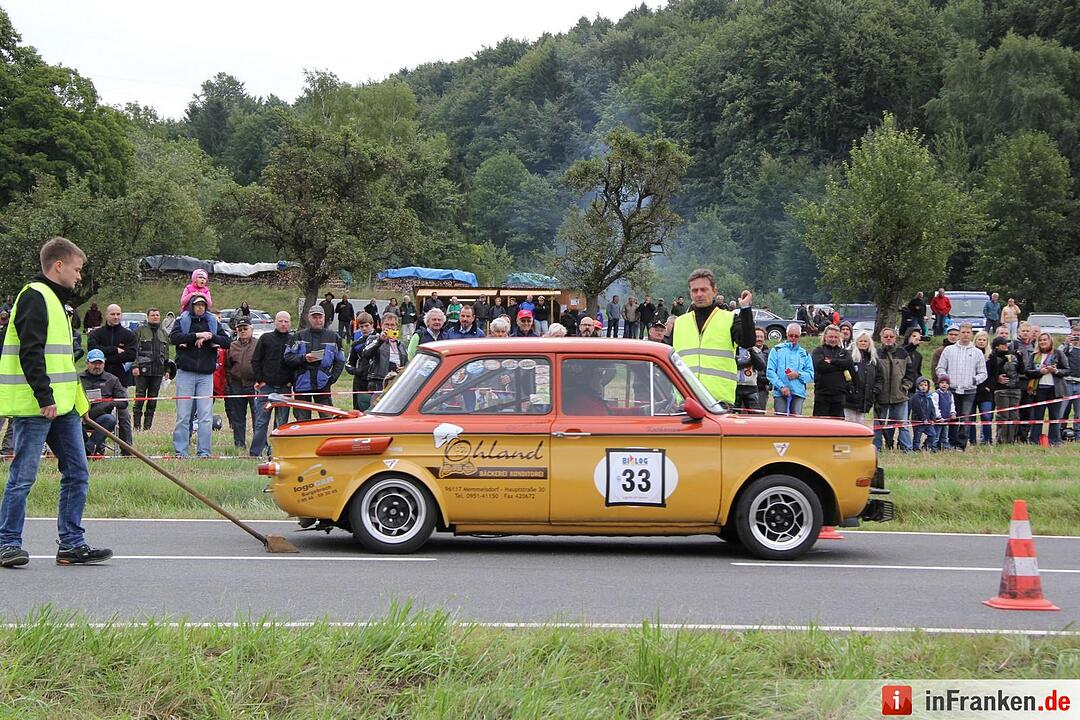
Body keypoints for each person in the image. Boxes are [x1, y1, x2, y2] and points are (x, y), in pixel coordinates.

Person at [0, 237, 112, 567]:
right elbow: (30, 352)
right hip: (38, 407)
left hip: (64, 408)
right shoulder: (35, 296)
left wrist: (79, 405)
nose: (79, 276)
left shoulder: (57, 302)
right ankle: (7, 542)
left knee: (77, 472)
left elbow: (62, 363)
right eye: (77, 269)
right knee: (23, 476)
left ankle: (72, 544)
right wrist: (44, 396)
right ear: (58, 265)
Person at [673, 268, 755, 406]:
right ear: (690, 293)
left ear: (714, 291)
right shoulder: (680, 323)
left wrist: (745, 309)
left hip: (719, 400)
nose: (699, 294)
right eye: (695, 290)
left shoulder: (729, 319)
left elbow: (748, 342)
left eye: (704, 290)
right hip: (686, 400)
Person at [170, 293, 231, 457]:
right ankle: (181, 451)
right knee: (183, 415)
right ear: (191, 306)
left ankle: (204, 452)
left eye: (203, 305)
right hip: (186, 373)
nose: (200, 307)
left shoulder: (213, 322)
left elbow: (226, 341)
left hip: (206, 375)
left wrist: (210, 336)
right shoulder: (182, 321)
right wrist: (196, 336)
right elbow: (174, 338)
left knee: (205, 416)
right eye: (197, 305)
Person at [87, 303, 137, 454]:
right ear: (106, 315)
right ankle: (97, 448)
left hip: (119, 380)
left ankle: (127, 450)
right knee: (97, 413)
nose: (116, 317)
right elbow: (92, 349)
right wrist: (114, 350)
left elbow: (131, 355)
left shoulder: (128, 335)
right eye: (112, 314)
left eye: (118, 314)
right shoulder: (96, 334)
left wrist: (107, 357)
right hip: (96, 380)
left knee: (124, 415)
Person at [283, 306, 345, 420]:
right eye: (314, 317)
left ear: (324, 318)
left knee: (328, 419)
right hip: (302, 383)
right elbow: (287, 357)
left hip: (323, 383)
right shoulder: (298, 336)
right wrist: (303, 358)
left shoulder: (334, 337)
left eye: (320, 317)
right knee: (302, 421)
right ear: (309, 318)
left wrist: (332, 379)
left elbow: (340, 360)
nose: (317, 320)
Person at [936, 323, 987, 450]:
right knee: (953, 416)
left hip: (969, 391)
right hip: (952, 390)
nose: (965, 335)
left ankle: (961, 444)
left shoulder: (977, 352)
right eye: (963, 332)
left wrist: (974, 380)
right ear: (959, 333)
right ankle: (951, 442)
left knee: (966, 418)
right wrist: (945, 380)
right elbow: (940, 368)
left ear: (971, 334)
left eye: (968, 332)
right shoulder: (949, 350)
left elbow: (983, 373)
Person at [250, 311, 294, 457]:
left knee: (281, 423)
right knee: (261, 422)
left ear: (290, 323)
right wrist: (260, 380)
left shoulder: (293, 340)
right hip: (266, 387)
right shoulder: (265, 338)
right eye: (280, 321)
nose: (283, 324)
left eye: (286, 321)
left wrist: (291, 382)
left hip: (284, 388)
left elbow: (296, 364)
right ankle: (255, 453)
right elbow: (255, 360)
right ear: (275, 322)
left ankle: (276, 453)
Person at [80, 349, 128, 456]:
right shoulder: (78, 379)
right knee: (72, 422)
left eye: (100, 363)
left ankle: (88, 449)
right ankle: (89, 450)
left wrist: (108, 404)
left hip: (101, 418)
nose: (97, 366)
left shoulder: (112, 380)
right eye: (93, 363)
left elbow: (123, 402)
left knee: (110, 419)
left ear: (104, 363)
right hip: (81, 416)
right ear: (87, 363)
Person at [132, 307, 174, 432]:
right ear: (148, 317)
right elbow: (134, 350)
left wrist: (167, 370)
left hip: (158, 371)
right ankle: (137, 426)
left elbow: (166, 354)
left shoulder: (164, 333)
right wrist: (135, 366)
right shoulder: (140, 331)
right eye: (153, 315)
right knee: (140, 398)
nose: (155, 317)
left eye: (157, 315)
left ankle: (147, 427)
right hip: (142, 370)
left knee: (153, 400)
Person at [873, 328, 916, 451]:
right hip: (881, 396)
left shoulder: (903, 353)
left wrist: (905, 387)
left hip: (899, 396)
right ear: (881, 338)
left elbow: (910, 373)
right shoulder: (875, 353)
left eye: (891, 336)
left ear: (895, 338)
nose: (888, 339)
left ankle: (906, 449)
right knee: (878, 425)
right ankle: (877, 448)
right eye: (885, 336)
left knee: (903, 425)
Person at [1024, 332, 1069, 446]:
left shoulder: (1058, 353)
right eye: (1040, 340)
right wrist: (1040, 372)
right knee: (1037, 416)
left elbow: (1067, 370)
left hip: (1055, 390)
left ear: (1050, 341)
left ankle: (1054, 441)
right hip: (1039, 389)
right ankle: (1034, 441)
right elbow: (1027, 372)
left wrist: (1055, 371)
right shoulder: (1034, 355)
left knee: (1055, 416)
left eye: (1045, 340)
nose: (1043, 342)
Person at [225, 319, 258, 452]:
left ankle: (259, 444)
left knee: (258, 416)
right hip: (237, 385)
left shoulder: (258, 344)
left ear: (251, 329)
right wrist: (230, 382)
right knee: (237, 417)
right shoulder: (232, 346)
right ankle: (239, 445)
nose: (243, 331)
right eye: (240, 329)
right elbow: (227, 366)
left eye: (245, 329)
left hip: (254, 385)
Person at [767, 324, 814, 415]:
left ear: (799, 336)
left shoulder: (804, 353)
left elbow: (810, 374)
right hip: (780, 393)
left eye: (796, 336)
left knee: (796, 421)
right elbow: (770, 372)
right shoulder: (776, 350)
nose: (793, 338)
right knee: (780, 420)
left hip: (798, 393)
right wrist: (781, 386)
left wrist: (798, 374)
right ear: (786, 334)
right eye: (791, 335)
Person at [811, 324, 853, 418]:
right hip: (822, 394)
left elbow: (849, 363)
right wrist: (840, 366)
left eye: (835, 337)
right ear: (825, 337)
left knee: (838, 424)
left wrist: (832, 361)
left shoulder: (844, 352)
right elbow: (821, 366)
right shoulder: (818, 351)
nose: (833, 339)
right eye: (830, 337)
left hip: (839, 395)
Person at [987, 336, 1023, 444]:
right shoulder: (993, 357)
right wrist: (1003, 361)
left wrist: (1020, 358)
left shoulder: (1013, 356)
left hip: (1015, 388)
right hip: (1001, 390)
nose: (1006, 346)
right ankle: (1001, 440)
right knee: (1003, 415)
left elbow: (1022, 370)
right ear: (997, 346)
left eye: (1006, 344)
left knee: (1014, 416)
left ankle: (1011, 440)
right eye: (1003, 344)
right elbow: (992, 372)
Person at [361, 313, 408, 392]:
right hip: (378, 381)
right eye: (387, 324)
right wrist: (380, 340)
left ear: (396, 327)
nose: (389, 327)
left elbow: (406, 362)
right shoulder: (374, 338)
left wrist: (404, 368)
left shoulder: (400, 344)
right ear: (381, 325)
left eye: (392, 325)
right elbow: (366, 354)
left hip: (396, 381)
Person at [844, 331, 881, 426]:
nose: (863, 343)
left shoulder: (874, 360)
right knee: (849, 424)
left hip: (865, 400)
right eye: (861, 341)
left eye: (865, 341)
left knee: (860, 424)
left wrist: (875, 391)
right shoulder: (849, 357)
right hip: (850, 399)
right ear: (856, 342)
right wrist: (850, 389)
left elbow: (879, 377)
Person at [345, 312, 376, 411]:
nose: (364, 329)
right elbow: (348, 364)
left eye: (366, 326)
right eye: (361, 326)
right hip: (360, 382)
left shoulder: (379, 339)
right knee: (358, 410)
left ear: (372, 325)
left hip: (376, 380)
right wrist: (357, 371)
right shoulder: (356, 344)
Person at [973, 330, 994, 445]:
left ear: (987, 342)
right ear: (975, 340)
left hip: (986, 392)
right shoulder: (970, 354)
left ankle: (987, 440)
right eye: (979, 339)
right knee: (970, 418)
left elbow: (994, 374)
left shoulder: (991, 356)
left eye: (984, 340)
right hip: (972, 390)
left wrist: (989, 387)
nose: (981, 342)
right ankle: (971, 440)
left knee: (986, 416)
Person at [1059, 327, 1080, 441]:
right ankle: (1057, 434)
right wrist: (1066, 343)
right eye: (1074, 335)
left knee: (1079, 413)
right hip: (1066, 383)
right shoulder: (1066, 348)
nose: (1076, 337)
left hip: (1079, 383)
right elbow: (1057, 356)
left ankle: (1078, 436)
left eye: (1078, 335)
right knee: (1061, 411)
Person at [735, 339, 766, 412]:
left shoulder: (756, 350)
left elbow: (761, 366)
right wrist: (750, 362)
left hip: (751, 386)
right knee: (733, 412)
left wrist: (751, 350)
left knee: (755, 413)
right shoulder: (733, 349)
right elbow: (736, 364)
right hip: (735, 385)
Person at [909, 377, 940, 452]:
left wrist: (933, 419)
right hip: (918, 421)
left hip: (928, 422)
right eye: (921, 385)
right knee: (917, 437)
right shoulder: (915, 397)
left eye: (925, 385)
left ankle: (926, 446)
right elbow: (918, 409)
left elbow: (932, 408)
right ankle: (915, 448)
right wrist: (923, 419)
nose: (923, 387)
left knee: (933, 435)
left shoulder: (929, 397)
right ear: (918, 386)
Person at [931, 376, 956, 450]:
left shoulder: (950, 394)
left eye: (946, 383)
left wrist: (953, 413)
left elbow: (952, 404)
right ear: (938, 384)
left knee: (945, 435)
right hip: (938, 420)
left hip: (946, 419)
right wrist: (939, 417)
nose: (944, 384)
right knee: (936, 435)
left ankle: (945, 446)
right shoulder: (936, 394)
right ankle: (933, 447)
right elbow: (935, 406)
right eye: (942, 383)